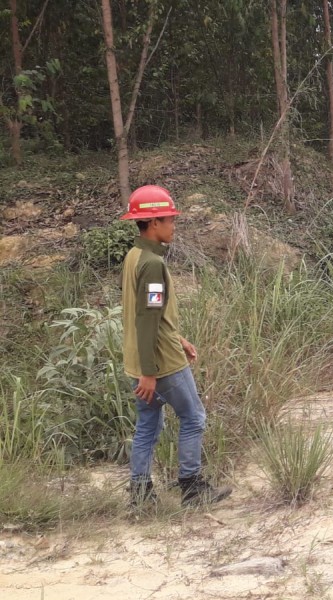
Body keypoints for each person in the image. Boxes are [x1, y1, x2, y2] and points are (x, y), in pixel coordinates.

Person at [120, 185, 232, 507]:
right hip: (161, 364)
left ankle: (141, 494)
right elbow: (147, 320)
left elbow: (146, 313)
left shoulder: (134, 256)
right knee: (194, 417)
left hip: (137, 358)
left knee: (148, 424)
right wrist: (150, 373)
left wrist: (178, 338)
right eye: (170, 219)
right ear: (153, 222)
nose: (173, 226)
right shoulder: (153, 264)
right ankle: (192, 487)